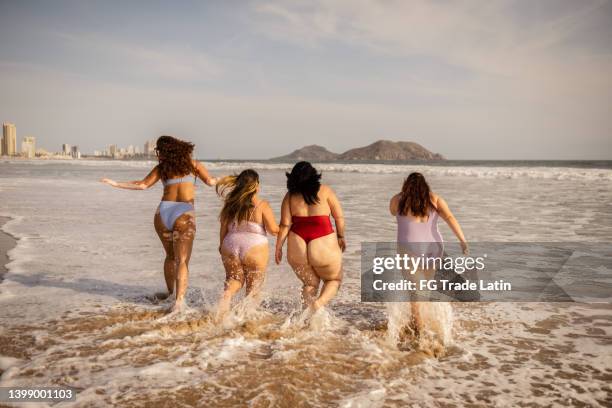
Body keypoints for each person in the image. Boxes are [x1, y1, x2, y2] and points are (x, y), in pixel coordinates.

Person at [101, 135, 217, 312]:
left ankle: (171, 295)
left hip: (162, 213)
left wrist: (115, 183)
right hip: (184, 212)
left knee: (170, 257)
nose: (157, 154)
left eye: (158, 150)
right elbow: (211, 182)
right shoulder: (194, 165)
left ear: (165, 151)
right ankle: (179, 302)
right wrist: (231, 180)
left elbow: (142, 185)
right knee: (183, 260)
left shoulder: (162, 168)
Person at [389, 172, 468, 336]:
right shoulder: (435, 200)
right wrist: (462, 240)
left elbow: (392, 211)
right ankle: (420, 324)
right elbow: (450, 218)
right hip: (433, 249)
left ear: (406, 185)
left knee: (416, 291)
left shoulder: (398, 200)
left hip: (409, 250)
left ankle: (419, 330)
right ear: (425, 186)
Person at [275, 161, 345, 313]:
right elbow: (339, 217)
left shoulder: (290, 196)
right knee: (333, 280)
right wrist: (340, 236)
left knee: (310, 283)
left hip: (297, 242)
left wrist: (278, 247)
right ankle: (317, 305)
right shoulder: (325, 191)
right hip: (322, 240)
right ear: (314, 176)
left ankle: (306, 317)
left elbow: (285, 225)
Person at [216, 169, 279, 318]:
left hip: (230, 243)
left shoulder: (230, 203)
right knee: (253, 288)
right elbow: (273, 230)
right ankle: (247, 320)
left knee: (234, 280)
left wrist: (221, 245)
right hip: (254, 247)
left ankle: (223, 307)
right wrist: (287, 225)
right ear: (256, 185)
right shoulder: (262, 205)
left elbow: (223, 228)